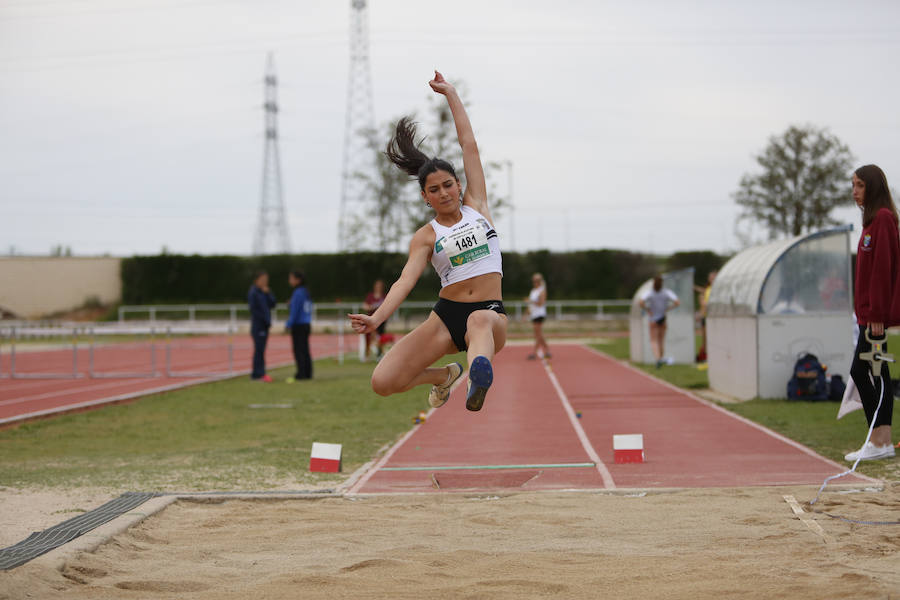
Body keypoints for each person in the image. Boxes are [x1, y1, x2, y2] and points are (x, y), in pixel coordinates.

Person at [348, 70, 506, 412]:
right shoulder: (426, 236)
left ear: (459, 185)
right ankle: (443, 376)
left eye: (448, 184)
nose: (444, 193)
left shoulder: (477, 205)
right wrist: (377, 318)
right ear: (425, 197)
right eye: (434, 190)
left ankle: (478, 379)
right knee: (383, 381)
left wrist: (450, 93)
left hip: (489, 314)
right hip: (447, 316)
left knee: (478, 320)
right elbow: (405, 280)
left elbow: (469, 145)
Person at [845, 164, 898, 461]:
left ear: (874, 187)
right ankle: (881, 441)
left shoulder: (884, 220)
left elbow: (883, 272)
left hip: (874, 319)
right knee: (877, 371)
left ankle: (880, 440)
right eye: (853, 185)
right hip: (867, 316)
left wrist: (877, 314)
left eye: (860, 185)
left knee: (866, 371)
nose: (854, 191)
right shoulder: (871, 222)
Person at [639, 275, 680, 368]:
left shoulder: (650, 293)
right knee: (661, 341)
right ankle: (660, 358)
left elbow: (640, 302)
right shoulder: (666, 292)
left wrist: (648, 310)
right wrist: (668, 308)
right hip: (663, 318)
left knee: (654, 341)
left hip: (653, 318)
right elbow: (677, 302)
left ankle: (658, 359)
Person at [248, 271, 276, 382]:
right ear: (257, 280)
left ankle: (260, 373)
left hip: (265, 325)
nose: (265, 282)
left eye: (266, 280)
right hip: (258, 325)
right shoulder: (253, 292)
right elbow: (254, 310)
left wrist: (268, 293)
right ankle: (257, 375)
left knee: (261, 350)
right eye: (263, 279)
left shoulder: (264, 292)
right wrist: (264, 320)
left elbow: (273, 304)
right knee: (259, 350)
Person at [285, 270, 313, 382]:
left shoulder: (297, 292)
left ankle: (301, 373)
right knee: (305, 349)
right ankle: (308, 373)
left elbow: (295, 311)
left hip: (299, 325)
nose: (289, 281)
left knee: (298, 350)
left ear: (298, 280)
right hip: (306, 323)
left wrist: (288, 324)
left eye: (291, 278)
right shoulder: (306, 291)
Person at [526, 272, 551, 359]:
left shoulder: (542, 291)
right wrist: (527, 313)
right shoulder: (533, 291)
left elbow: (540, 303)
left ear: (540, 281)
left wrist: (530, 301)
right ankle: (547, 350)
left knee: (538, 334)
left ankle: (534, 353)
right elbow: (530, 304)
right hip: (534, 314)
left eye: (536, 280)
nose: (534, 282)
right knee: (538, 334)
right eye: (534, 280)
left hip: (540, 314)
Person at [695, 270, 717, 363]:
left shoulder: (718, 289)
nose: (712, 279)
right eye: (711, 277)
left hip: (716, 317)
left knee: (715, 338)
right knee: (705, 338)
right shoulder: (707, 290)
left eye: (714, 277)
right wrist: (700, 313)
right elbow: (703, 303)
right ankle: (706, 357)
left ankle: (713, 356)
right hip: (706, 317)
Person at [362, 279, 387, 359]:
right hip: (371, 319)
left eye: (380, 286)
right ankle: (367, 355)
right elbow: (364, 306)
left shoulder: (384, 296)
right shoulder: (370, 296)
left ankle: (379, 354)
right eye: (377, 286)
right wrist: (371, 307)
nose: (378, 287)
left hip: (381, 321)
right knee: (368, 338)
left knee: (380, 338)